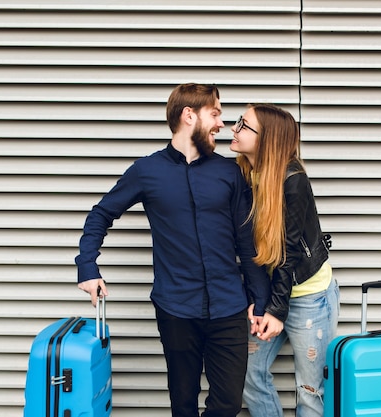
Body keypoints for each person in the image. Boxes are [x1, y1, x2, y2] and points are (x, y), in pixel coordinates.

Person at [75, 83, 270, 417]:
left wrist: (260, 300)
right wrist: (88, 269)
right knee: (183, 403)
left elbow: (246, 242)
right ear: (189, 115)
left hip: (229, 307)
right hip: (176, 308)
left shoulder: (229, 172)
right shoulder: (147, 171)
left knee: (226, 404)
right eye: (215, 114)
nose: (221, 125)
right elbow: (101, 214)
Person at [229, 103, 340, 417]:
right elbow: (250, 251)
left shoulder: (293, 180)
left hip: (310, 297)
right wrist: (256, 300)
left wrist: (275, 309)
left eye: (244, 125)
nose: (233, 129)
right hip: (270, 294)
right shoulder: (242, 176)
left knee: (310, 392)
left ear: (267, 139)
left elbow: (288, 253)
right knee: (250, 373)